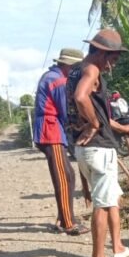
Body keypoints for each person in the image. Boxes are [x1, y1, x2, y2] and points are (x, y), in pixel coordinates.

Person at [69, 29, 129, 257]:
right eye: (113, 57)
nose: (114, 62)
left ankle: (117, 247)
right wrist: (96, 125)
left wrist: (119, 126)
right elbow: (80, 97)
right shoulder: (91, 70)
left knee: (111, 199)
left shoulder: (77, 69)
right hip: (97, 148)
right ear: (100, 52)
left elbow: (97, 109)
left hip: (86, 147)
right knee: (102, 202)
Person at [33, 48, 89, 235]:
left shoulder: (52, 76)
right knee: (64, 177)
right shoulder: (58, 81)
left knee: (69, 175)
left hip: (52, 129)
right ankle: (67, 223)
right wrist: (81, 124)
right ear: (69, 65)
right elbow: (65, 110)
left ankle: (64, 216)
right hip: (51, 131)